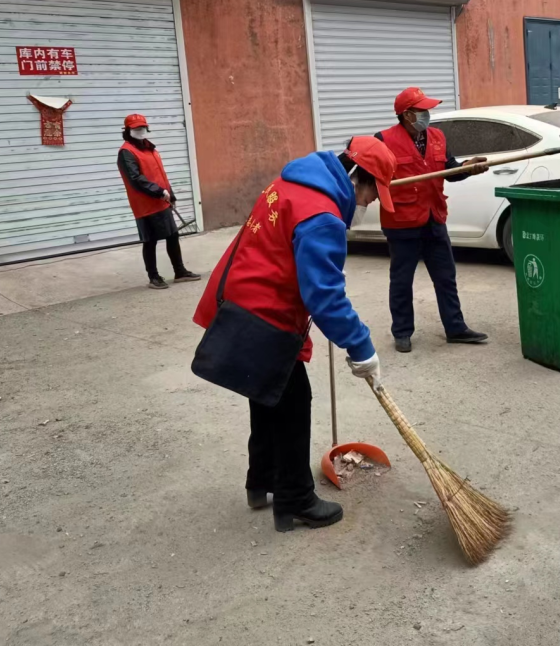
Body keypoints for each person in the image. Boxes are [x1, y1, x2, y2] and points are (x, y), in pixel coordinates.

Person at [192, 136, 396, 533]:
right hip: (261, 312)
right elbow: (324, 296)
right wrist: (362, 347)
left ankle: (261, 481)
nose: (370, 205)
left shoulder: (293, 184)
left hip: (239, 297)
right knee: (293, 401)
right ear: (357, 177)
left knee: (266, 393)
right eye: (373, 194)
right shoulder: (322, 215)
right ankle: (295, 500)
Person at [376, 87, 490, 353]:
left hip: (434, 217)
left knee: (446, 277)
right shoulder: (383, 140)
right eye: (421, 110)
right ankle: (402, 332)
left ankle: (456, 328)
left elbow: (448, 170)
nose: (427, 114)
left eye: (427, 109)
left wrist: (467, 168)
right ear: (406, 115)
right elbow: (372, 178)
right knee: (402, 280)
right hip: (402, 221)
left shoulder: (437, 136)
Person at [117, 113, 201, 289]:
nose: (140, 131)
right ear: (127, 130)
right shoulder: (126, 152)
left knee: (172, 236)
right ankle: (153, 277)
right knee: (150, 240)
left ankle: (180, 271)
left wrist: (170, 193)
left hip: (161, 201)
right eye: (136, 128)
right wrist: (158, 191)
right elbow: (136, 179)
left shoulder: (149, 148)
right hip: (145, 204)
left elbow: (160, 174)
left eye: (142, 127)